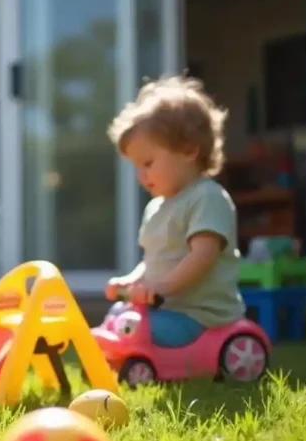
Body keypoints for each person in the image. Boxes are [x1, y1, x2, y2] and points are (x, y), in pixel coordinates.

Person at [103, 75, 245, 348]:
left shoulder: (207, 197)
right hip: (165, 308)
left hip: (198, 315)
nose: (140, 176)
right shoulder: (156, 207)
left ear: (189, 150)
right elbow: (154, 260)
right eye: (136, 167)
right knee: (117, 317)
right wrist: (132, 280)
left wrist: (161, 288)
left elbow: (202, 256)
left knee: (133, 331)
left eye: (147, 163)